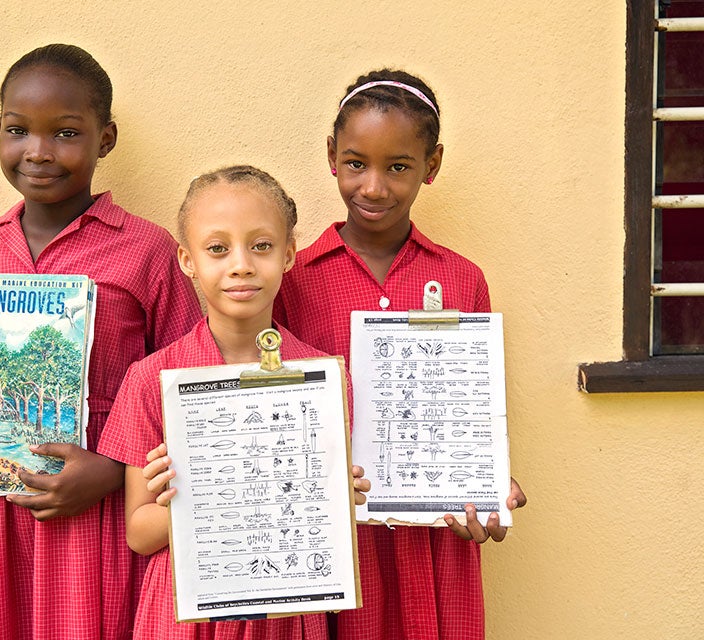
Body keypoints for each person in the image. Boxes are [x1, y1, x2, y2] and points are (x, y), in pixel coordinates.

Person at [0, 44, 201, 640]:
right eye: (17, 130)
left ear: (104, 139)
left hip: (96, 512)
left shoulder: (146, 250)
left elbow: (183, 388)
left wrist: (112, 472)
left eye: (64, 132)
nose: (37, 151)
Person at [273, 69, 528, 639]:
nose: (373, 187)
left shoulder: (462, 279)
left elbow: (473, 411)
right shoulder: (292, 282)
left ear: (431, 166)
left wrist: (489, 482)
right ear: (332, 156)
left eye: (399, 167)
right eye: (357, 163)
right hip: (338, 540)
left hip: (437, 536)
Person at [97, 165, 371, 640]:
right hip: (187, 614)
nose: (241, 264)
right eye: (217, 248)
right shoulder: (151, 379)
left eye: (261, 246)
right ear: (187, 260)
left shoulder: (323, 378)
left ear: (288, 255)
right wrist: (209, 496)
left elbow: (324, 523)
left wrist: (331, 499)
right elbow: (139, 533)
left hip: (289, 613)